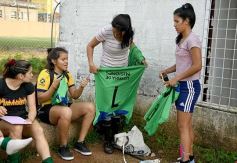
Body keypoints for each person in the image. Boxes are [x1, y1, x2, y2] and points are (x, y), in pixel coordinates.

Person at [87, 14, 146, 154]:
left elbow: (133, 48)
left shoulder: (128, 36)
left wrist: (141, 59)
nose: (113, 32)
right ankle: (107, 140)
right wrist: (91, 63)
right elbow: (90, 46)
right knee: (107, 105)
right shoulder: (106, 31)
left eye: (116, 31)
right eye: (113, 29)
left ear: (124, 31)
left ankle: (115, 138)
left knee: (118, 105)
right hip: (106, 74)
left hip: (122, 75)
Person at [160, 3, 202, 163]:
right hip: (182, 86)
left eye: (177, 21)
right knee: (186, 124)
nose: (174, 24)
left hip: (189, 87)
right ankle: (189, 157)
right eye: (174, 21)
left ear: (187, 20)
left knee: (182, 125)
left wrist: (177, 78)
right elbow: (182, 64)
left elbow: (197, 65)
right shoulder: (182, 40)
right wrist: (167, 71)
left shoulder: (193, 39)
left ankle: (185, 159)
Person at [37, 47, 95, 161]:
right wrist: (53, 86)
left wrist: (81, 87)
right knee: (66, 111)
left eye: (67, 59)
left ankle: (80, 142)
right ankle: (63, 146)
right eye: (63, 59)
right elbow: (40, 99)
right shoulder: (46, 74)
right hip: (46, 109)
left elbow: (74, 95)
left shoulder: (67, 74)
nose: (66, 61)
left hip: (63, 106)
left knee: (90, 107)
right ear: (54, 61)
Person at [0, 59, 53, 163]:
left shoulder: (28, 86)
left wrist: (30, 119)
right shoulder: (1, 85)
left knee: (38, 130)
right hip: (3, 121)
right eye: (30, 73)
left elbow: (32, 108)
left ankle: (47, 161)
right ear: (21, 76)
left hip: (22, 119)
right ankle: (13, 161)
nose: (32, 75)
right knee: (17, 127)